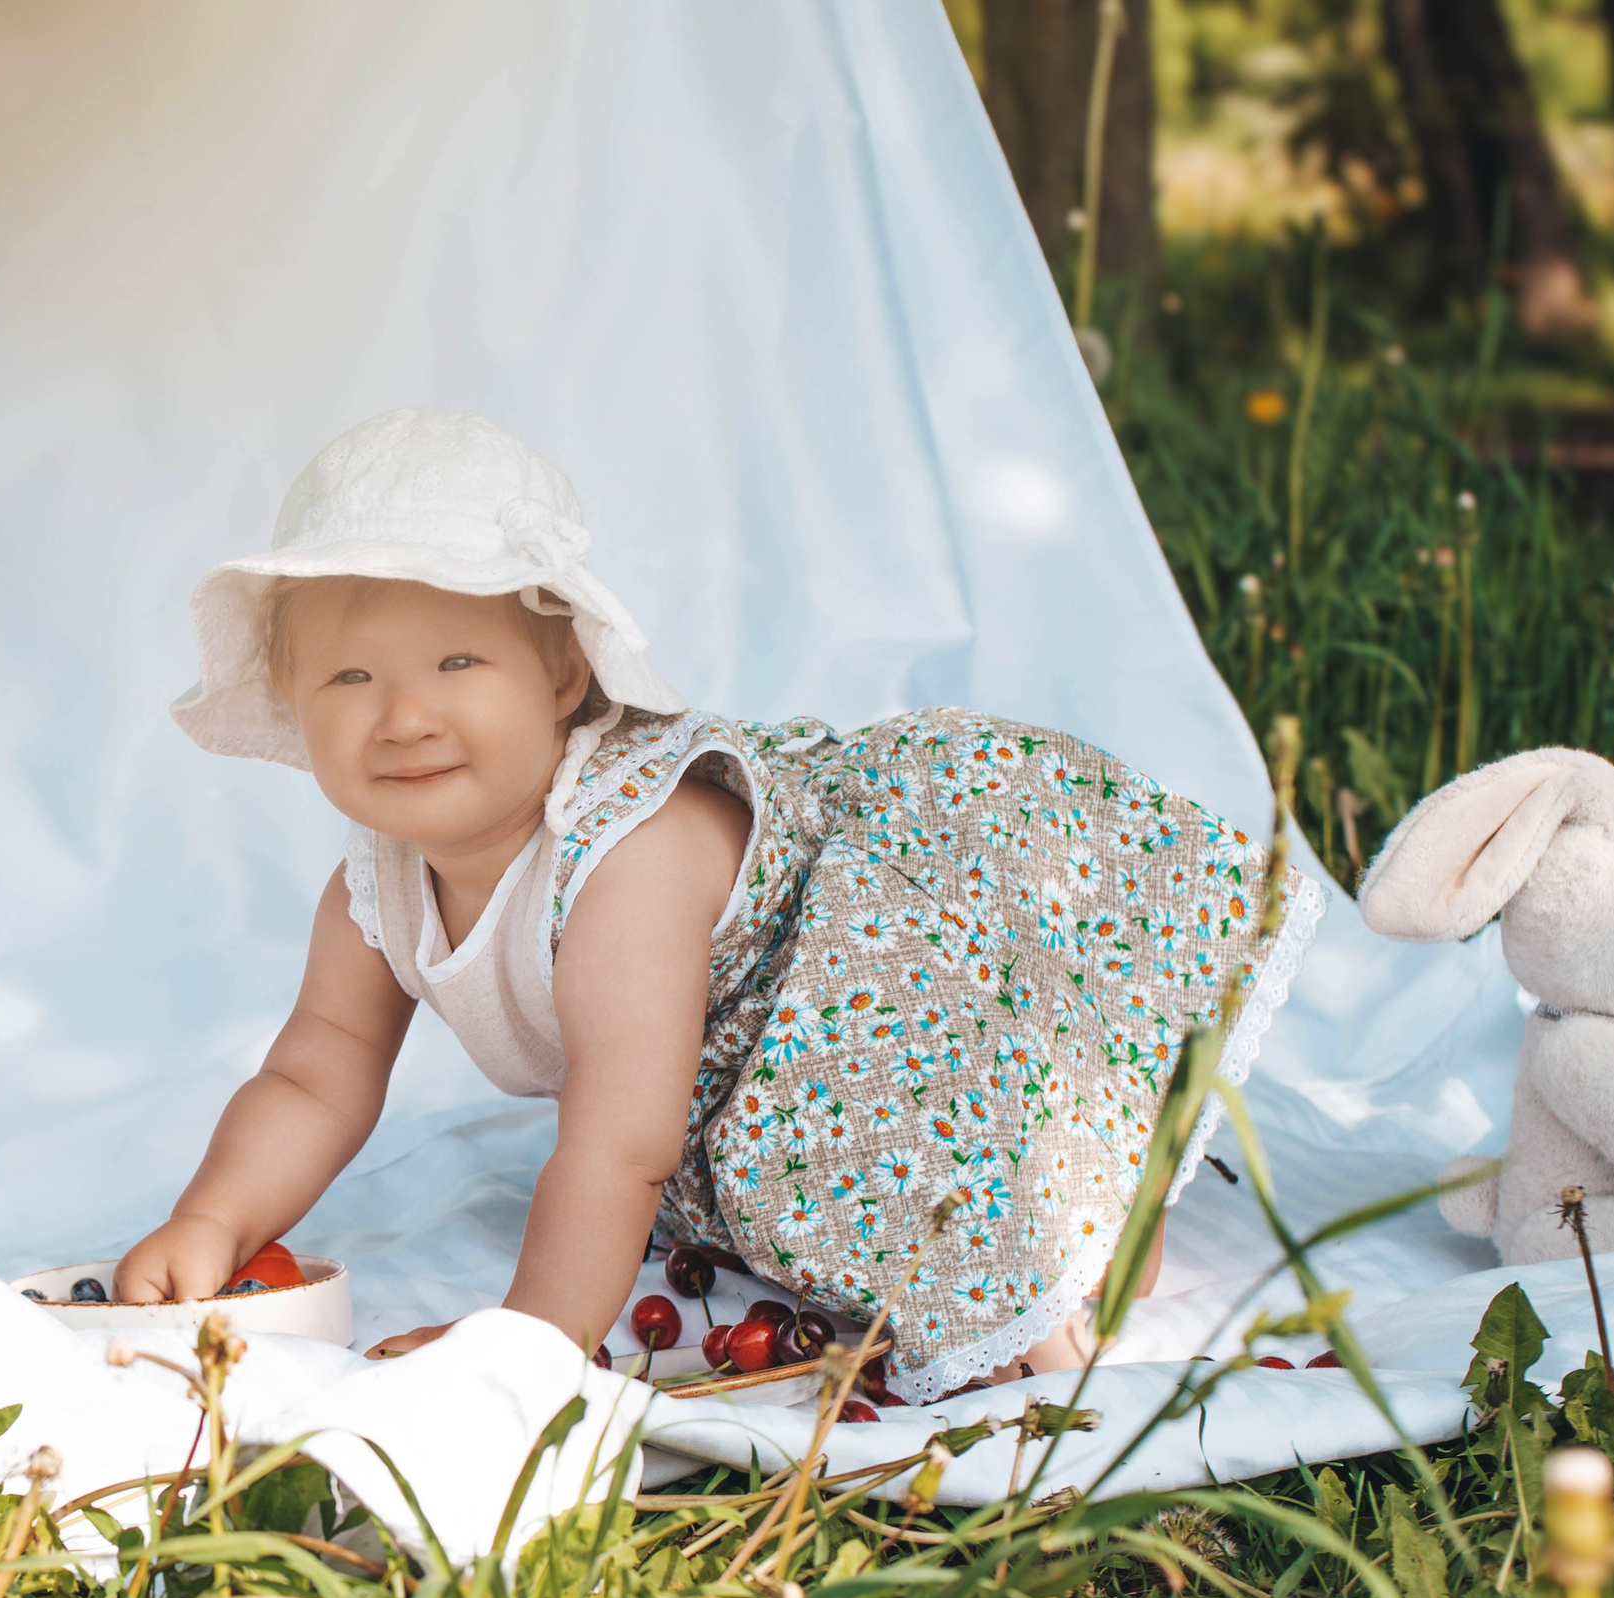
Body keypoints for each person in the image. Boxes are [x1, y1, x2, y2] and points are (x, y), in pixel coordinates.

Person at [116, 408, 1314, 1401]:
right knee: (762, 1204)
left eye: (457, 662)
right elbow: (315, 1071)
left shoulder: (626, 856)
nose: (405, 713)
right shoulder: (370, 886)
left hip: (866, 995)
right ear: (291, 696)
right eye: (350, 675)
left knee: (990, 1235)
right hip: (730, 1078)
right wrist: (212, 1217)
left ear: (562, 673)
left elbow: (618, 1140)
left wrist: (527, 1351)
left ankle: (1109, 1177)